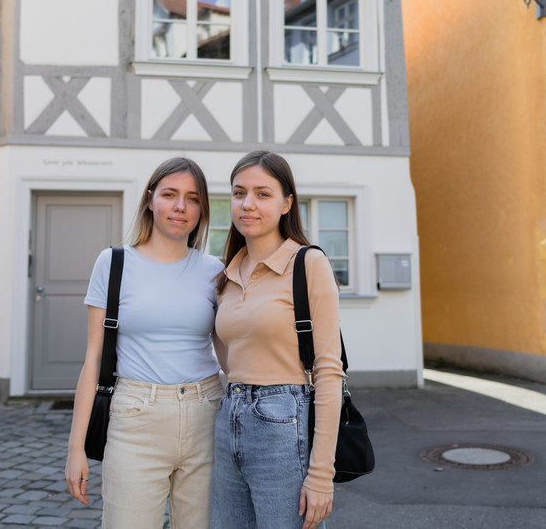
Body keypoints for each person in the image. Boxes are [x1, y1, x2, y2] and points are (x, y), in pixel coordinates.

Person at [65, 157, 225, 529]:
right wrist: (76, 450)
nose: (180, 206)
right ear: (151, 200)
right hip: (136, 418)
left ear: (202, 209)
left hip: (207, 413)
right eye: (170, 194)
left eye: (192, 198)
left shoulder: (215, 270)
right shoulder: (114, 263)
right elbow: (93, 358)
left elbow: (230, 357)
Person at [210, 151, 343, 529]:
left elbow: (330, 371)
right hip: (229, 415)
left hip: (284, 424)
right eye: (239, 193)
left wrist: (321, 474)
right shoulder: (227, 275)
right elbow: (229, 355)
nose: (247, 204)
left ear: (287, 203)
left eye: (262, 194)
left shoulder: (308, 264)